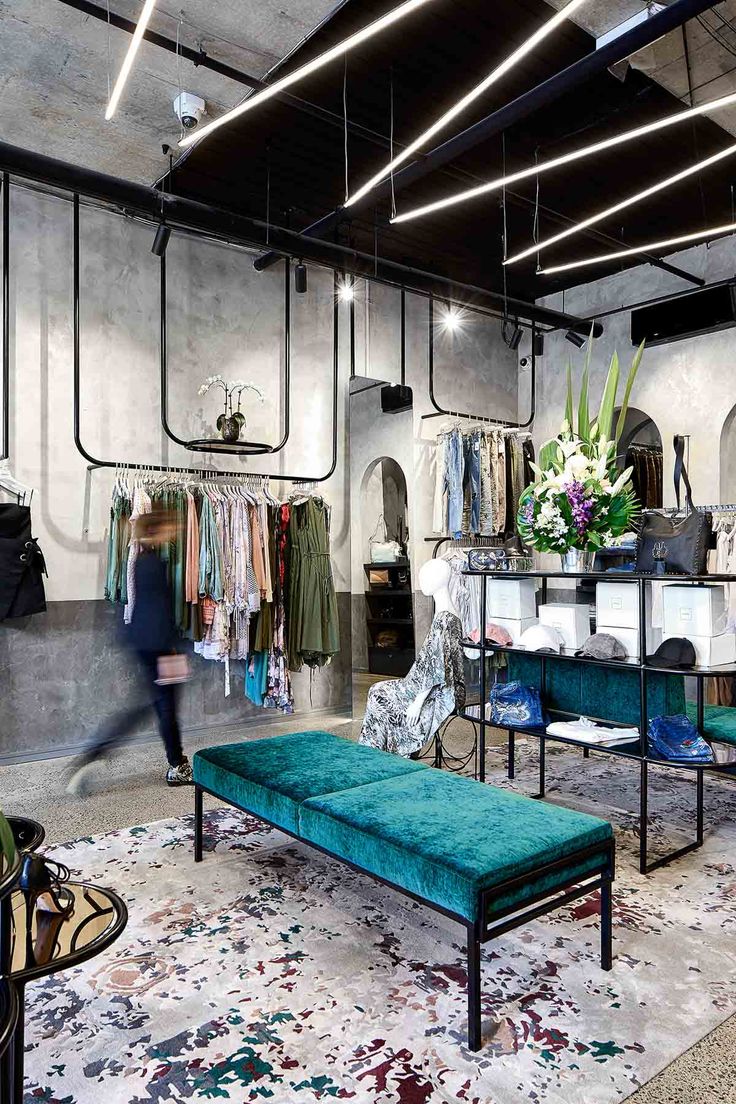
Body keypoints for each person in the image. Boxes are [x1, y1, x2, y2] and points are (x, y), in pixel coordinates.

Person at [67, 505, 193, 795]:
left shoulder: (141, 558)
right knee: (162, 708)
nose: (174, 533)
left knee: (158, 707)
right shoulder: (153, 563)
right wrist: (172, 649)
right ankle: (174, 764)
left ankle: (172, 761)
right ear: (155, 530)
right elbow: (156, 609)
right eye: (169, 528)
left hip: (145, 641)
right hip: (157, 644)